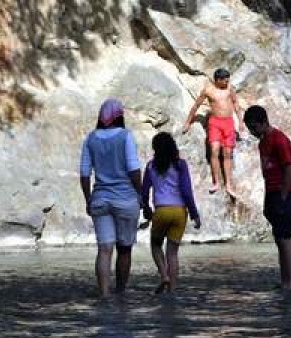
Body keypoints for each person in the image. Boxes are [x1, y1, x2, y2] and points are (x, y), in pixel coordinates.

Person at [79, 98, 144, 298]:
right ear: (120, 116)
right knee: (124, 249)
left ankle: (105, 295)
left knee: (104, 249)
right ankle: (121, 293)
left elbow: (84, 173)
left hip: (100, 199)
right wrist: (140, 194)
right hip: (125, 199)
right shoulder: (125, 136)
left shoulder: (90, 138)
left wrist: (89, 199)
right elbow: (134, 170)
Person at [243, 105, 291, 290]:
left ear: (265, 122)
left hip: (285, 191)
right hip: (272, 191)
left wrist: (283, 196)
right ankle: (287, 277)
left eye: (254, 127)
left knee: (284, 237)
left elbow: (289, 170)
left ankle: (290, 282)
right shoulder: (262, 142)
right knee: (278, 237)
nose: (252, 132)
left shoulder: (279, 140)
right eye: (250, 128)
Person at [141, 132, 201, 293]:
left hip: (161, 211)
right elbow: (187, 191)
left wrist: (146, 211)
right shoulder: (180, 165)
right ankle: (172, 290)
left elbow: (144, 192)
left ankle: (163, 275)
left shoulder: (151, 166)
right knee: (173, 253)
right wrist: (195, 214)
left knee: (155, 245)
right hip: (180, 212)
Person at [182, 68, 245, 195]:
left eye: (228, 80)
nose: (227, 82)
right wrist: (188, 122)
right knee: (214, 150)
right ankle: (216, 182)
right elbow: (196, 106)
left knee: (227, 153)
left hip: (228, 122)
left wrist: (240, 121)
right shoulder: (208, 90)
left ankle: (228, 184)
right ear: (218, 80)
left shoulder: (229, 89)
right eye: (225, 80)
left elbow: (236, 103)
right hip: (215, 123)